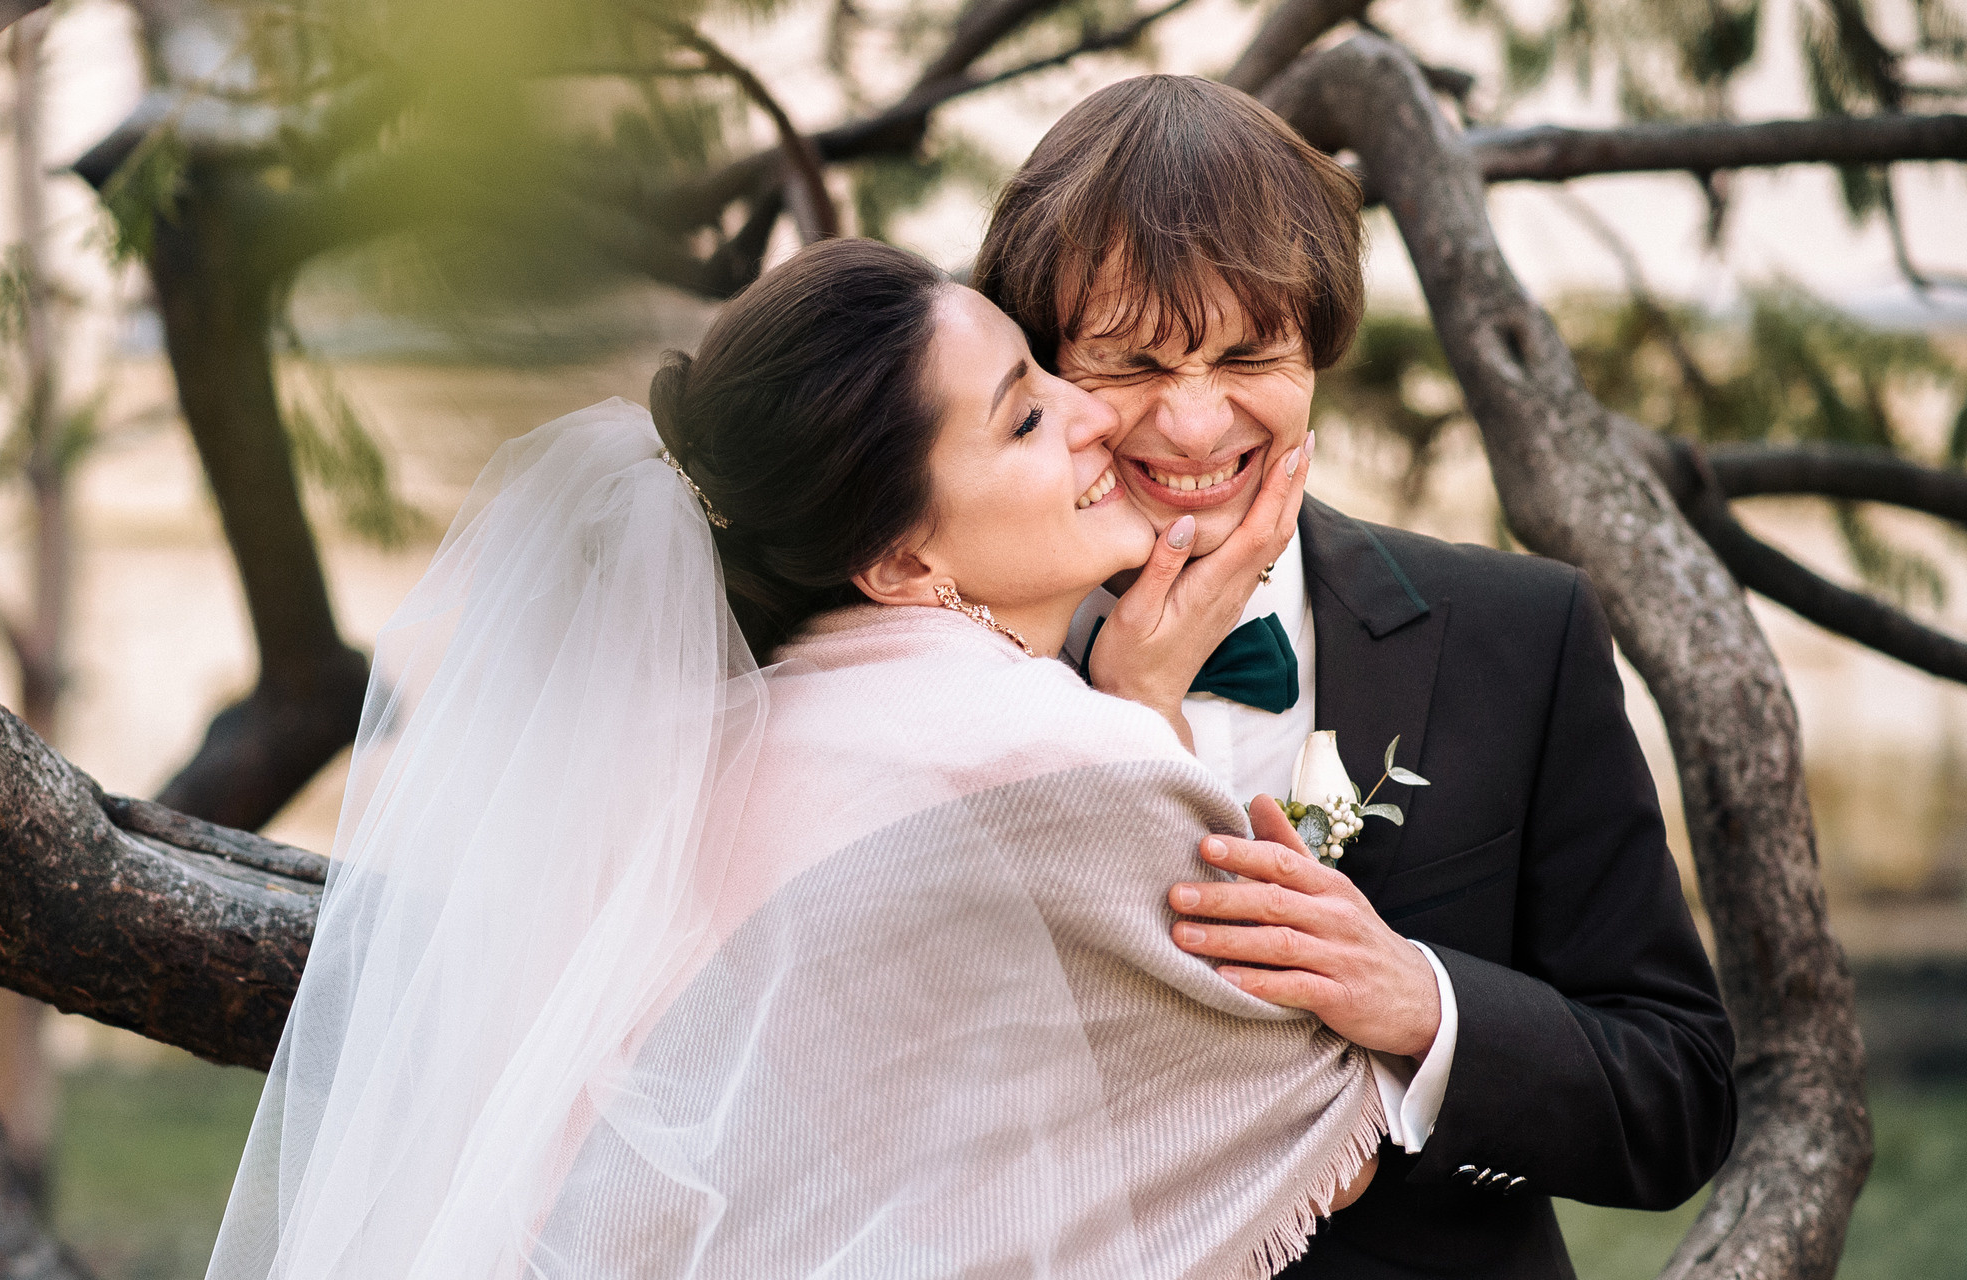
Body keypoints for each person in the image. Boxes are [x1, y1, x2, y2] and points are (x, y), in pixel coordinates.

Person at [207, 237, 1399, 1280]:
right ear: (892, 558)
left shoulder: (713, 736)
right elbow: (1309, 1128)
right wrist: (1139, 707)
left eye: (1042, 369)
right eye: (1026, 416)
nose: (1099, 413)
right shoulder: (1055, 756)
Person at [971, 74, 1737, 1278]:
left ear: (1316, 348)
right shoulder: (952, 668)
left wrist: (1427, 1007)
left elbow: (1678, 1094)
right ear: (1047, 365)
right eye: (1130, 362)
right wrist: (1112, 725)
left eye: (1247, 352)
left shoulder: (1518, 633)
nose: (1191, 421)